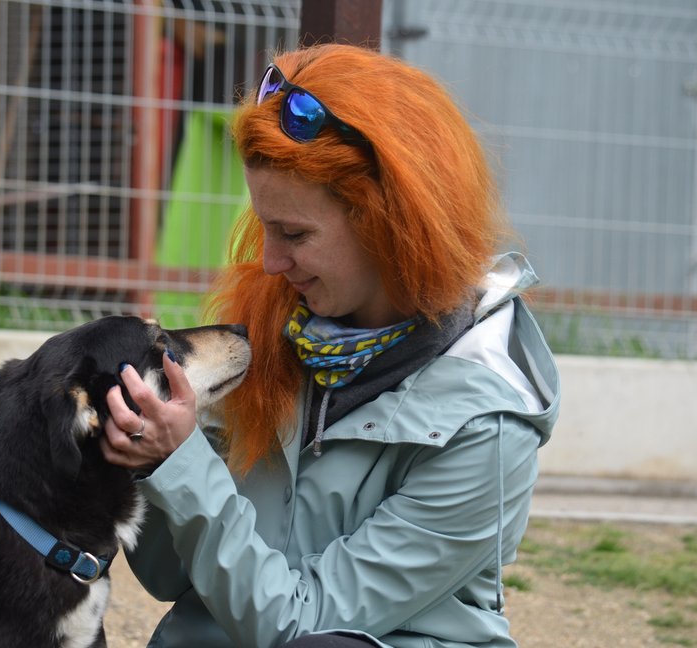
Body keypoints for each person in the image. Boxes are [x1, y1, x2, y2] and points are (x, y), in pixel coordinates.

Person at [100, 43, 560, 648]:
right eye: (264, 226)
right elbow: (168, 577)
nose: (268, 261)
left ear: (391, 225)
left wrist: (182, 464)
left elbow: (301, 626)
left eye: (294, 233)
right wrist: (147, 455)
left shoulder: (487, 424)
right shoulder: (268, 336)